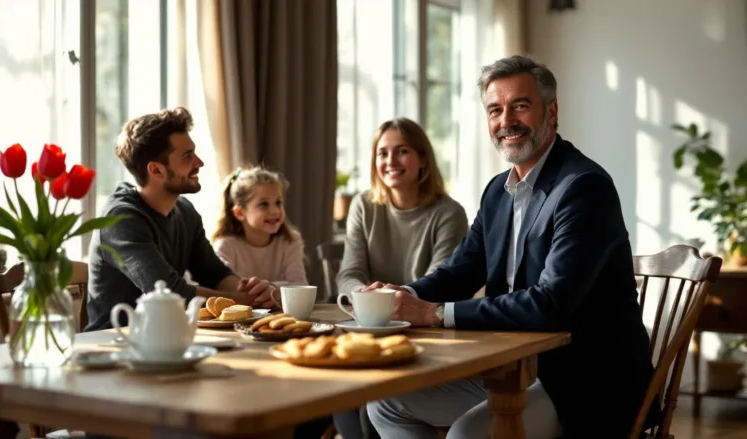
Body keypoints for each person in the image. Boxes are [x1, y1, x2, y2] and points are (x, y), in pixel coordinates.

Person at [365, 56, 661, 438]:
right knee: (385, 403)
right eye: (495, 110)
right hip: (512, 369)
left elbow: (551, 304)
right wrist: (402, 296)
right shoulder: (496, 192)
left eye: (520, 106)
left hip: (584, 383)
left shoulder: (584, 187)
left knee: (468, 434)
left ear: (551, 112)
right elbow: (460, 270)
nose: (506, 121)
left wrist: (435, 313)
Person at [85, 107, 276, 333]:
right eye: (187, 156)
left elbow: (214, 274)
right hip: (113, 346)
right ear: (156, 170)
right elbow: (171, 293)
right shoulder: (120, 220)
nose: (199, 162)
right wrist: (245, 302)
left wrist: (251, 291)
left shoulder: (184, 211)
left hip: (168, 340)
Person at [334, 117, 468, 439]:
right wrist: (369, 299)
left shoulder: (449, 213)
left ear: (423, 158)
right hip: (368, 324)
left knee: (376, 394)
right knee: (336, 381)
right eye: (382, 153)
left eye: (402, 151)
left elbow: (442, 280)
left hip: (427, 332)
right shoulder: (363, 207)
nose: (390, 162)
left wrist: (387, 303)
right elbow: (349, 273)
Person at [211, 166, 308, 286]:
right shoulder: (226, 246)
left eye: (278, 203)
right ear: (240, 213)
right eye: (264, 204)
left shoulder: (290, 241)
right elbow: (222, 286)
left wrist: (267, 288)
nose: (275, 211)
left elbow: (300, 285)